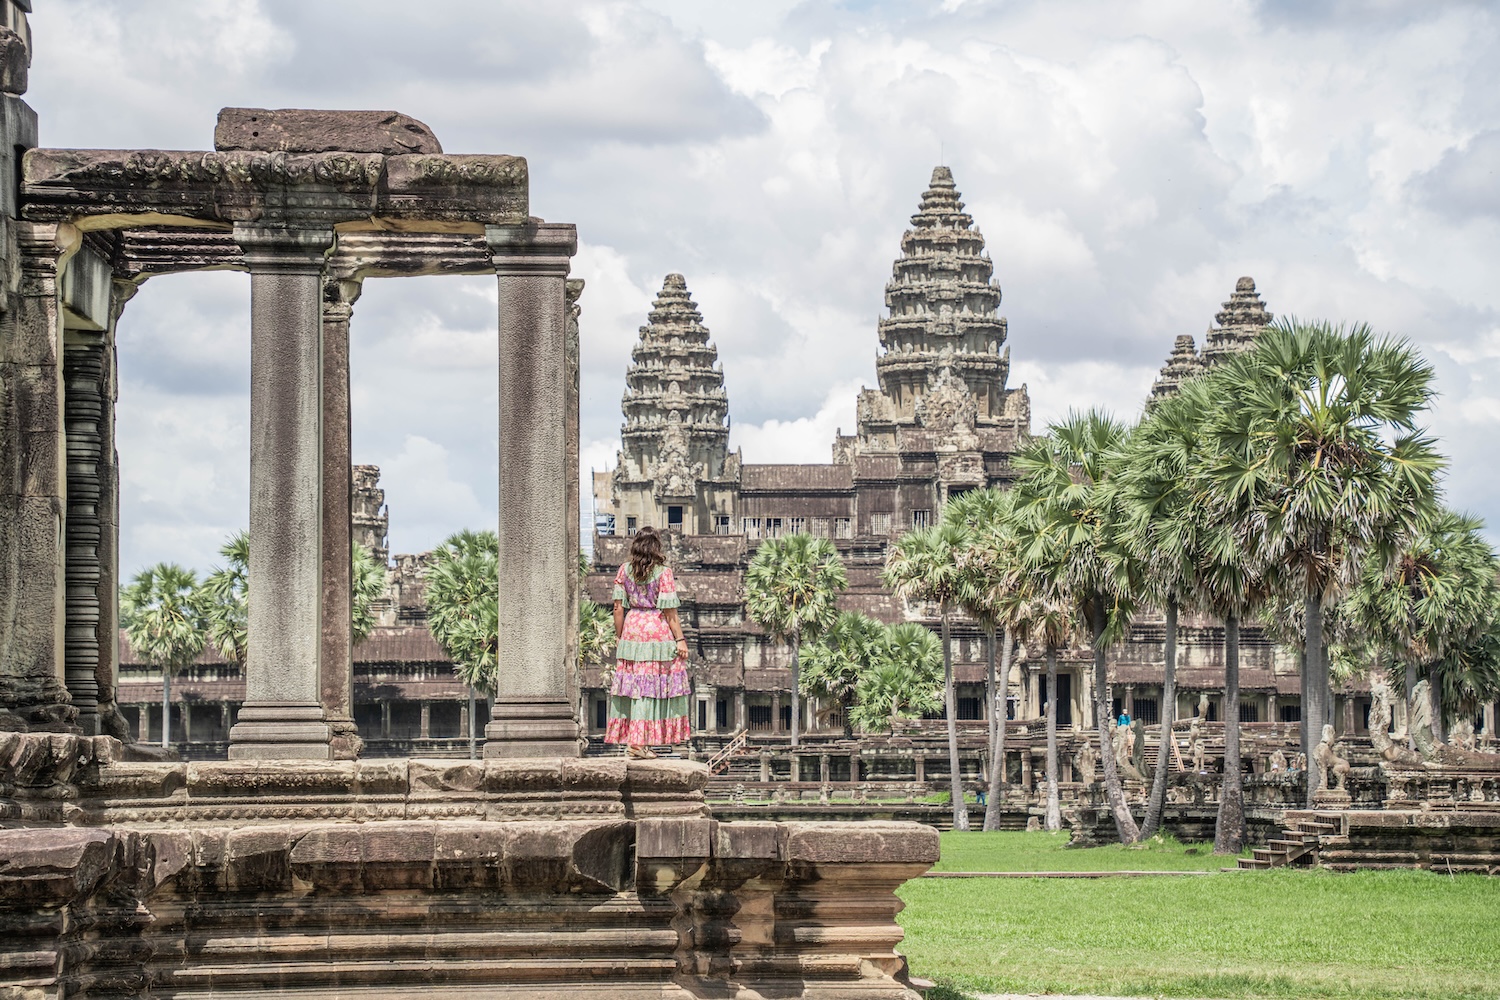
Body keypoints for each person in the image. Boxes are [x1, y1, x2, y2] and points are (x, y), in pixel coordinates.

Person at [608, 527, 690, 758]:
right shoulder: (663, 573)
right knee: (650, 688)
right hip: (657, 631)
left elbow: (617, 608)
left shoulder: (624, 571)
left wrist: (620, 635)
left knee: (635, 687)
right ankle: (638, 742)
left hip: (632, 629)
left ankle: (638, 741)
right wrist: (680, 640)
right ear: (656, 548)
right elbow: (670, 611)